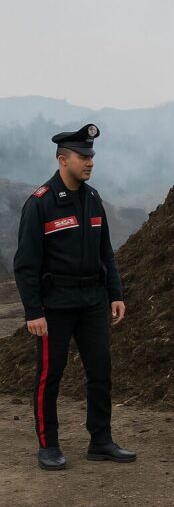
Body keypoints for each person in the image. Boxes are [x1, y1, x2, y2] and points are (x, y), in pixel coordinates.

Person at [13, 123, 136, 470]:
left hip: (93, 301)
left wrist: (115, 293)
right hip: (55, 305)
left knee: (100, 371)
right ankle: (48, 445)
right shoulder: (41, 203)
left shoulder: (93, 199)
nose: (90, 162)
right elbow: (25, 264)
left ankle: (101, 440)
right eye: (83, 156)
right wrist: (33, 311)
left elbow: (105, 252)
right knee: (49, 376)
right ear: (62, 159)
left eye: (91, 156)